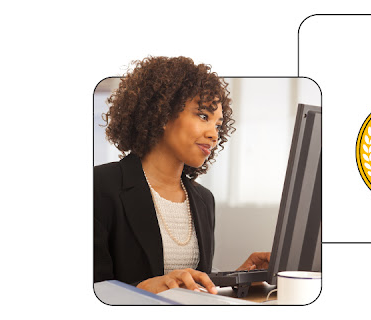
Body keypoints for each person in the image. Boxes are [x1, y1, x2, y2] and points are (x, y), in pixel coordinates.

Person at [94, 56, 270, 294]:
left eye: (218, 125)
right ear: (163, 113)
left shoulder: (203, 199)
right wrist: (140, 290)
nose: (214, 135)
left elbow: (193, 287)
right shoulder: (100, 186)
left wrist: (238, 279)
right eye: (203, 116)